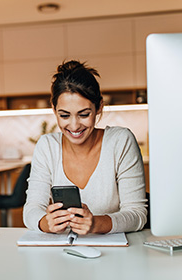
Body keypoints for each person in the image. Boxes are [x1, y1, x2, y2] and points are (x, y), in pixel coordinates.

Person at [23, 59, 148, 237]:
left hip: (116, 255)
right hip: (61, 252)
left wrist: (95, 223)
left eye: (84, 114)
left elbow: (138, 214)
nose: (74, 126)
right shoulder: (47, 146)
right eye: (64, 115)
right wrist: (46, 222)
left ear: (99, 108)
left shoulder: (120, 141)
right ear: (54, 109)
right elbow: (31, 211)